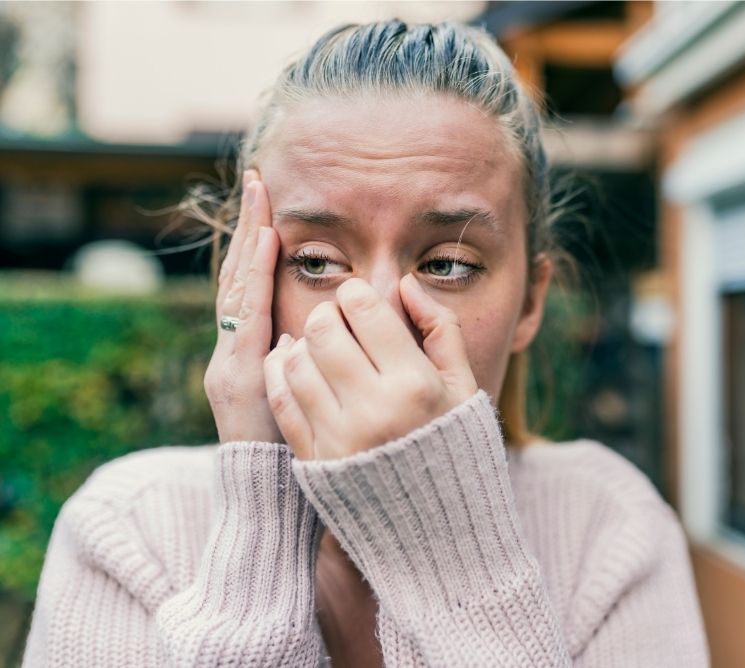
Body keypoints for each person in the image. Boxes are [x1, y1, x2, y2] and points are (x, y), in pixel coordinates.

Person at [22, 20, 708, 667]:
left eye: (447, 263)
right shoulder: (127, 531)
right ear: (244, 281)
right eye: (315, 261)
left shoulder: (609, 528)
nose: (372, 314)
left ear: (530, 300)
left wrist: (454, 558)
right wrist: (260, 518)